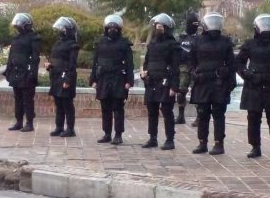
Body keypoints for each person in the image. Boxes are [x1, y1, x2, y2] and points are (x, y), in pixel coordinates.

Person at [237, 14, 270, 159]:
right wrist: (246, 75)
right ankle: (255, 147)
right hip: (253, 85)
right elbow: (238, 63)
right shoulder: (249, 44)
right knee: (253, 118)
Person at [189, 12, 236, 156]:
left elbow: (231, 64)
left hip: (218, 82)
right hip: (202, 81)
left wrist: (227, 78)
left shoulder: (225, 41)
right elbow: (191, 59)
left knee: (218, 114)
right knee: (202, 113)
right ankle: (202, 142)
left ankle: (218, 143)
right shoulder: (197, 41)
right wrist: (193, 73)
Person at [90, 14, 134, 145]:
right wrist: (93, 79)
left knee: (118, 107)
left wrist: (129, 81)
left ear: (119, 29)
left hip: (118, 78)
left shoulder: (124, 44)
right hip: (103, 78)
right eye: (109, 28)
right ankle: (107, 133)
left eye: (115, 28)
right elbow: (95, 63)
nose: (112, 30)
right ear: (106, 28)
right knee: (105, 107)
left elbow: (129, 64)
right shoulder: (100, 43)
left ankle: (118, 134)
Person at [141, 13, 180, 150]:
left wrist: (174, 86)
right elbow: (146, 62)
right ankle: (152, 137)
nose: (159, 30)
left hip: (166, 81)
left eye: (161, 27)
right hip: (151, 81)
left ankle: (170, 139)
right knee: (152, 110)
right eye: (157, 27)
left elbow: (175, 67)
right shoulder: (151, 44)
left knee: (167, 111)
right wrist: (144, 73)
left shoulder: (173, 45)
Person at [4, 12, 40, 132]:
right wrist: (8, 71)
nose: (17, 27)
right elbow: (11, 56)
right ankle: (18, 122)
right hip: (16, 72)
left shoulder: (34, 38)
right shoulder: (16, 38)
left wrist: (32, 73)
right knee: (17, 98)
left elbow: (35, 58)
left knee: (28, 99)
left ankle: (29, 123)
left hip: (27, 73)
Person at [47, 17, 80, 137]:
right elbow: (56, 59)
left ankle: (70, 129)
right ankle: (59, 127)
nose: (60, 31)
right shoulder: (58, 43)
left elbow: (72, 64)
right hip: (56, 76)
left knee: (67, 104)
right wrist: (50, 65)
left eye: (63, 29)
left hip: (66, 76)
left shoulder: (73, 45)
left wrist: (68, 79)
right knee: (58, 103)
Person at [176, 11, 198, 125]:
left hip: (195, 68)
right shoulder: (181, 38)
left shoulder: (200, 39)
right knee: (181, 91)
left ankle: (199, 117)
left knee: (197, 92)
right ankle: (181, 116)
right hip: (183, 67)